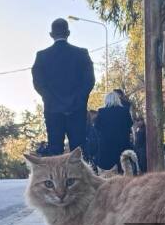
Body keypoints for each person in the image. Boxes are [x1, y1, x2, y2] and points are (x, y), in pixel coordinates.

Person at [32, 18, 95, 155]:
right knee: (78, 151)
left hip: (53, 110)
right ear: (68, 33)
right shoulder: (82, 54)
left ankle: (57, 177)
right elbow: (89, 81)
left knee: (55, 150)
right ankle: (79, 176)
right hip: (77, 110)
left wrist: (50, 99)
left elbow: (38, 84)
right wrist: (78, 100)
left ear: (51, 34)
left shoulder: (42, 56)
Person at [94, 92, 133, 172]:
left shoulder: (101, 112)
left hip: (106, 145)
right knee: (123, 169)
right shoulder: (124, 111)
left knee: (108, 171)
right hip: (122, 144)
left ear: (106, 100)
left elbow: (96, 127)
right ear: (117, 100)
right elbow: (130, 124)